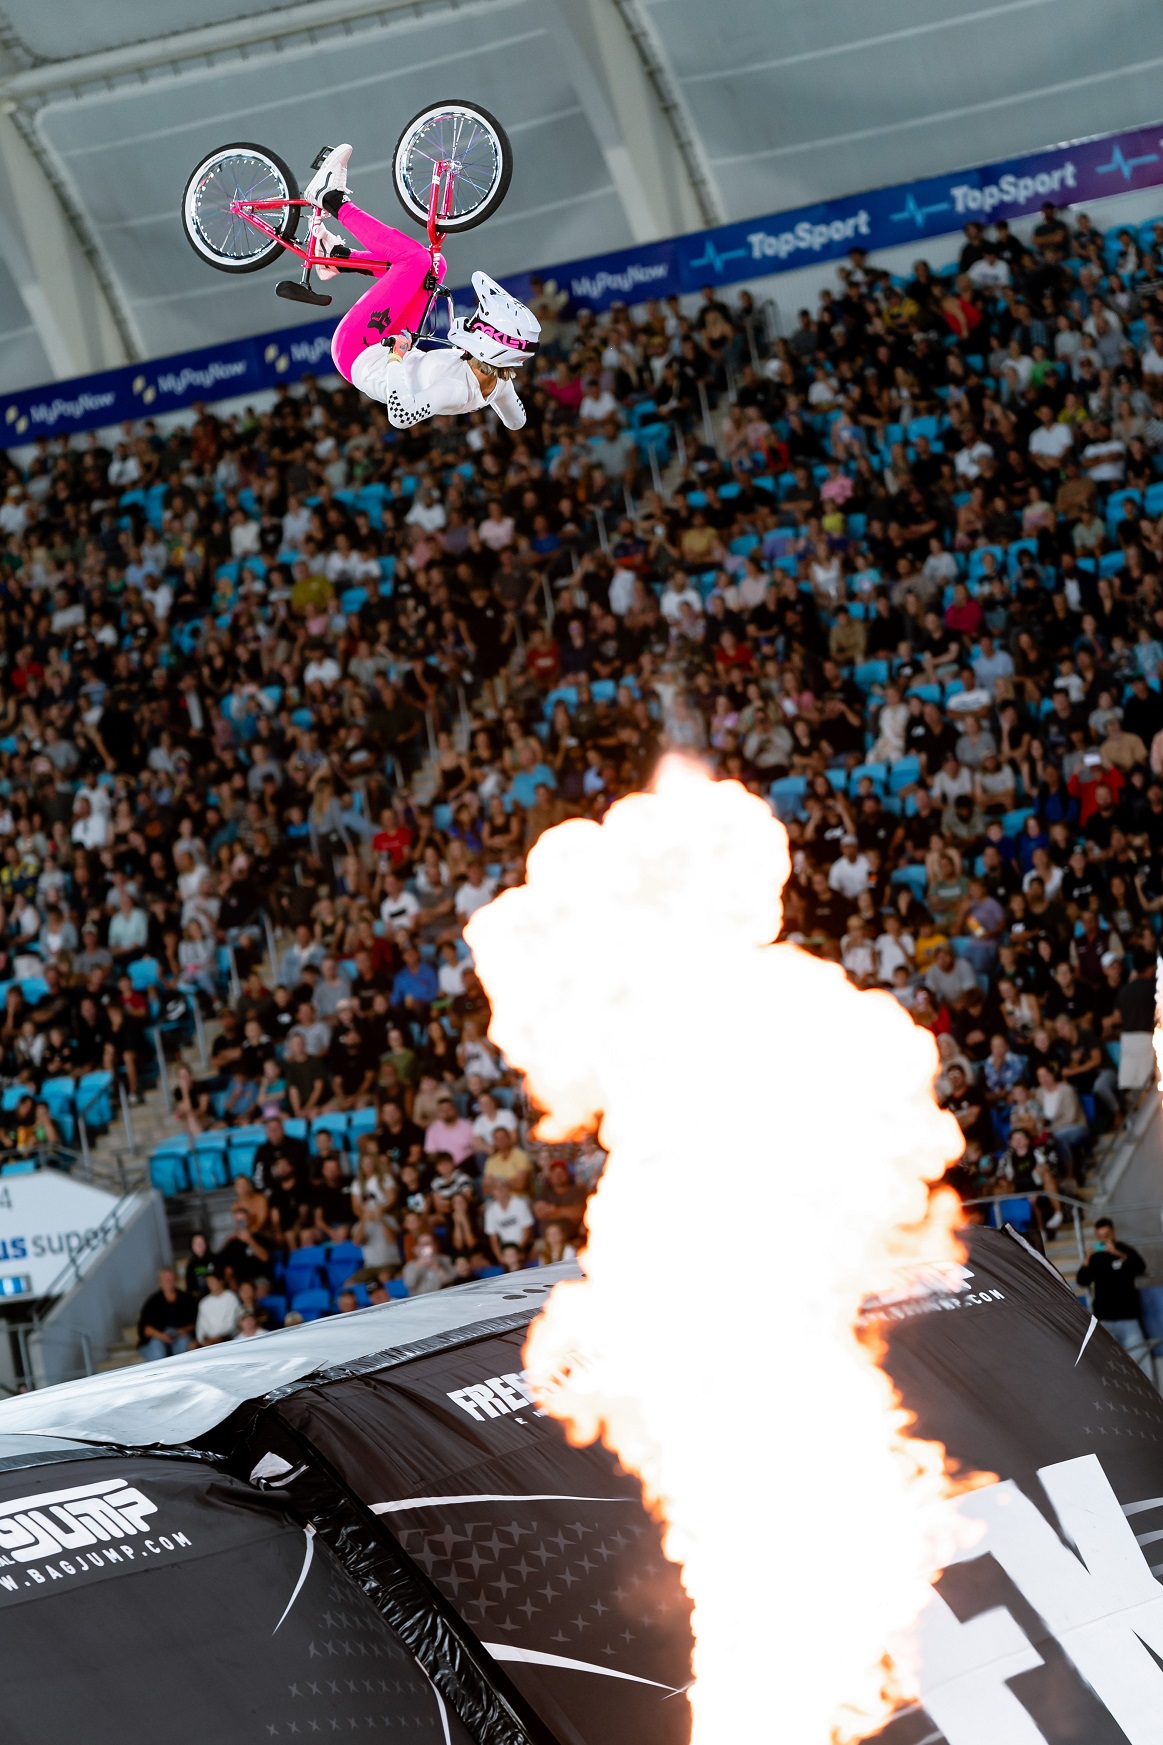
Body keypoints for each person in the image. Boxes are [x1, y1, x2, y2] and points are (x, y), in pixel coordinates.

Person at [309, 145, 539, 431]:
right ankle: (338, 260)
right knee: (434, 267)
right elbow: (517, 422)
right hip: (401, 344)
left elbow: (401, 416)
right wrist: (499, 398)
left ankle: (330, 199)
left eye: (481, 325)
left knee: (414, 259)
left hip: (358, 351)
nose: (473, 323)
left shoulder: (454, 389)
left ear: (490, 346)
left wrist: (395, 357)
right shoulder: (499, 384)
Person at [1077, 1218, 1149, 1370]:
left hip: (1129, 1319)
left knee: (1142, 1363)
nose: (1104, 1239)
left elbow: (1140, 1267)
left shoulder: (1124, 1251)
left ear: (1113, 1233)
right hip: (1106, 1320)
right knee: (1110, 1367)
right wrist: (1087, 1258)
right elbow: (1082, 1280)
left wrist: (1116, 1252)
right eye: (1101, 1236)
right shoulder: (1096, 1258)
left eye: (1107, 1235)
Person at [138, 1267, 197, 1361]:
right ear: (160, 1282)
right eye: (165, 1279)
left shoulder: (186, 1299)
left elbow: (195, 1323)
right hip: (159, 1338)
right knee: (157, 1349)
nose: (168, 1281)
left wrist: (183, 1330)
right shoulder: (152, 1302)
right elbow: (145, 1329)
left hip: (179, 1337)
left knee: (184, 1343)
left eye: (171, 1278)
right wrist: (161, 1336)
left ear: (176, 1280)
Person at [194, 1270, 242, 1346]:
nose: (211, 1284)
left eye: (213, 1281)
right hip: (209, 1342)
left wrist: (217, 1338)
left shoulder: (231, 1297)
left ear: (220, 1281)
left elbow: (233, 1324)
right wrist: (204, 1339)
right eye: (208, 1282)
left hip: (229, 1338)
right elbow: (200, 1328)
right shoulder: (203, 1303)